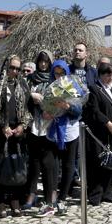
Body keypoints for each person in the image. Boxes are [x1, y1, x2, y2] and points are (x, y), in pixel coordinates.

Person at [0, 55, 32, 217]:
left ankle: (15, 201)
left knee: (16, 167)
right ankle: (1, 202)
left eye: (17, 68)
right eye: (12, 68)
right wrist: (2, 126)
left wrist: (22, 125)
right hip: (1, 131)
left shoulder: (22, 85)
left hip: (18, 131)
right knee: (0, 167)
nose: (14, 71)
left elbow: (27, 109)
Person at [46, 60, 85, 212]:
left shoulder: (73, 87)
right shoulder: (49, 87)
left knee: (69, 165)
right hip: (53, 130)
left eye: (62, 73)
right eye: (56, 73)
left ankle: (62, 198)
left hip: (70, 129)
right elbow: (42, 105)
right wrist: (46, 111)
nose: (59, 76)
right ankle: (51, 199)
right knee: (51, 165)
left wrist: (68, 106)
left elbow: (79, 110)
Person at [83, 62, 112, 205]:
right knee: (96, 163)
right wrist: (108, 123)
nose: (111, 78)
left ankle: (107, 192)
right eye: (108, 75)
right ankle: (95, 194)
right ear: (101, 74)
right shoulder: (94, 89)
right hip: (98, 132)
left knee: (110, 162)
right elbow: (94, 110)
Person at [27, 50, 54, 214]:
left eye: (45, 62)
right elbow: (24, 99)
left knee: (48, 163)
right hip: (33, 124)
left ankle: (50, 198)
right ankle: (31, 194)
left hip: (49, 124)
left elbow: (58, 101)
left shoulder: (52, 79)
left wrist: (43, 101)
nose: (43, 64)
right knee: (34, 162)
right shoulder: (31, 78)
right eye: (40, 61)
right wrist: (32, 98)